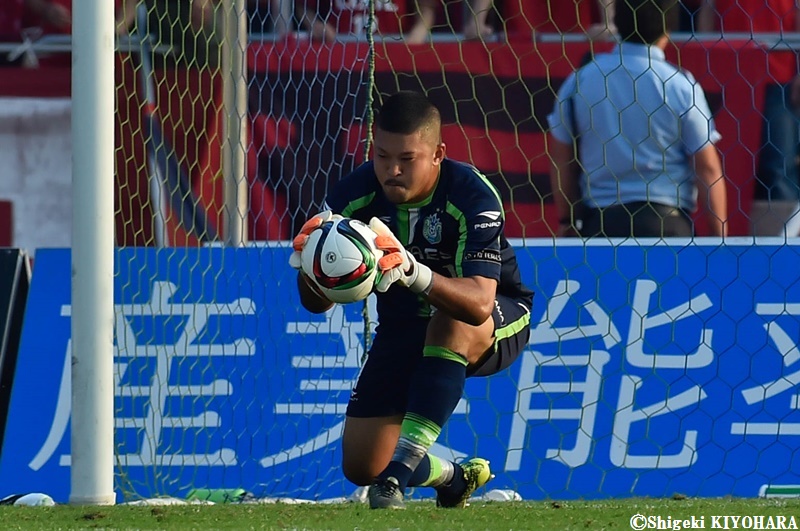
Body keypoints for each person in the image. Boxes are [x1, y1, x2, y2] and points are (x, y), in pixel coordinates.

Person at [289, 91, 533, 509]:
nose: (392, 170)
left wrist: (412, 271)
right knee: (363, 465)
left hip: (495, 317)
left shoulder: (471, 195)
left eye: (407, 158)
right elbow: (316, 305)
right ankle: (454, 477)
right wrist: (313, 268)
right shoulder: (352, 197)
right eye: (382, 156)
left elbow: (477, 303)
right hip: (403, 327)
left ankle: (395, 483)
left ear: (438, 153)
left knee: (450, 324)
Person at [547, 0, 728, 238]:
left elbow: (561, 160)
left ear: (618, 22)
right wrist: (721, 241)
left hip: (602, 227)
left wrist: (567, 221)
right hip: (667, 227)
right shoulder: (680, 85)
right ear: (668, 29)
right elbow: (708, 169)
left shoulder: (580, 80)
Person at [697, 0, 800, 237]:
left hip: (778, 75)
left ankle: (785, 246)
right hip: (729, 75)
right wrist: (704, 63)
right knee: (727, 162)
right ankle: (725, 239)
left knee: (777, 166)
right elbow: (708, 9)